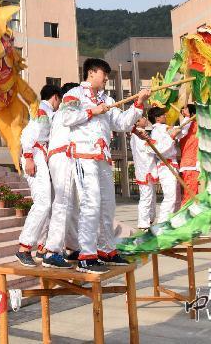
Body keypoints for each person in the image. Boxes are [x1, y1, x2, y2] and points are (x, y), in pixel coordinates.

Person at [61, 58, 149, 273]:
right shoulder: (74, 94)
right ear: (91, 73)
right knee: (90, 205)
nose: (107, 78)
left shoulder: (106, 99)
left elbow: (122, 124)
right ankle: (87, 255)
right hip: (84, 155)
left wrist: (138, 104)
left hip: (102, 157)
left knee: (107, 205)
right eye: (104, 74)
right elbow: (66, 117)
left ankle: (106, 249)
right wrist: (93, 111)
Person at [16, 84, 62, 265]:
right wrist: (28, 158)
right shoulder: (41, 110)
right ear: (56, 97)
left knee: (47, 204)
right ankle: (24, 248)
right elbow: (28, 135)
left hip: (38, 155)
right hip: (34, 155)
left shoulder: (46, 111)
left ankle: (42, 247)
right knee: (42, 203)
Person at [41, 82, 82, 269]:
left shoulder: (61, 111)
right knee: (63, 203)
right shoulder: (68, 108)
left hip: (65, 156)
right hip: (63, 155)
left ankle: (72, 247)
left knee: (71, 204)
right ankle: (52, 251)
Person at [147, 107, 181, 224]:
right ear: (157, 118)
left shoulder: (163, 129)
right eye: (162, 115)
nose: (165, 116)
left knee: (176, 198)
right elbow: (159, 150)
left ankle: (173, 222)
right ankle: (163, 224)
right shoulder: (157, 131)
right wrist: (172, 136)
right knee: (170, 196)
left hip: (172, 164)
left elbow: (177, 131)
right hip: (166, 165)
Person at [130, 116, 159, 230]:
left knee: (151, 196)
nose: (145, 119)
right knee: (146, 196)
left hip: (148, 167)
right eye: (142, 118)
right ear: (137, 122)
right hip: (144, 168)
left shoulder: (142, 132)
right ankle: (143, 223)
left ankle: (150, 220)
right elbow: (147, 148)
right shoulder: (137, 134)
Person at [176, 104, 200, 201]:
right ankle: (187, 215)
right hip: (190, 164)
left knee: (195, 194)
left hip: (197, 164)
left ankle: (193, 214)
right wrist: (187, 117)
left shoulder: (198, 125)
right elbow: (183, 130)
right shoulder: (183, 127)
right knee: (190, 194)